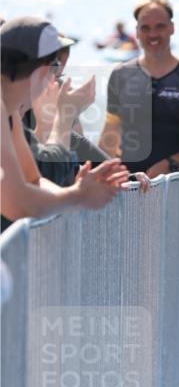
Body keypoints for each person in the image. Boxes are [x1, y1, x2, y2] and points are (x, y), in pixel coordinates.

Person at [1, 16, 129, 228]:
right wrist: (78, 196)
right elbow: (17, 203)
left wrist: (75, 190)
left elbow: (34, 179)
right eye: (56, 69)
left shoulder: (10, 112)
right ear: (45, 71)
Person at [99, 0, 179, 178]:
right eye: (145, 28)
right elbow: (110, 135)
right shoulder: (121, 75)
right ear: (137, 32)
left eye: (160, 27)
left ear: (172, 28)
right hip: (127, 184)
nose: (153, 34)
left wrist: (169, 165)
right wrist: (102, 173)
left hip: (172, 183)